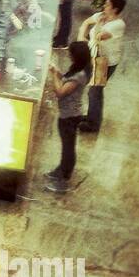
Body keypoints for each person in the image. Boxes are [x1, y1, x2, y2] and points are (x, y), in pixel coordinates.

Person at [45, 40, 93, 193]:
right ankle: (61, 169)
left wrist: (53, 75)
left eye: (70, 54)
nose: (68, 56)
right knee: (67, 146)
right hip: (68, 113)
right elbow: (65, 79)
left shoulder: (79, 75)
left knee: (68, 148)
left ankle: (64, 179)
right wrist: (57, 70)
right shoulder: (79, 68)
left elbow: (60, 92)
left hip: (70, 116)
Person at [78, 0, 126, 132]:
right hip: (94, 57)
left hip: (105, 62)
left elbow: (99, 36)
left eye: (107, 5)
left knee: (95, 91)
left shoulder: (118, 25)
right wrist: (81, 37)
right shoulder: (102, 16)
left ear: (115, 9)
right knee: (93, 90)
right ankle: (91, 117)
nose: (104, 6)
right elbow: (86, 22)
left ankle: (93, 124)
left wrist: (98, 24)